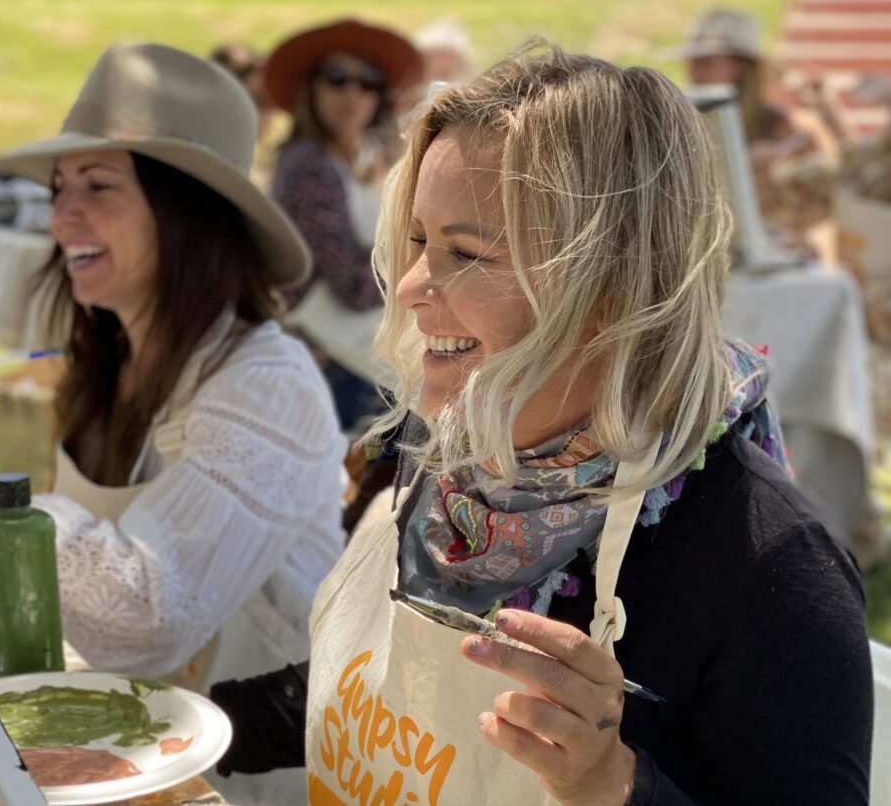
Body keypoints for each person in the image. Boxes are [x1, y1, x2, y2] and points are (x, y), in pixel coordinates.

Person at [210, 43, 873, 804]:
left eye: (465, 253)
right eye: (419, 240)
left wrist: (613, 783)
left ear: (611, 290)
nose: (413, 286)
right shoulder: (450, 447)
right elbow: (378, 686)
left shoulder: (770, 565)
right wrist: (178, 725)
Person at [0, 44, 348, 696]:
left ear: (188, 211)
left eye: (98, 186)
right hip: (124, 722)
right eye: (59, 188)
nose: (61, 216)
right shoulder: (107, 359)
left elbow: (151, 614)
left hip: (246, 753)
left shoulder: (268, 386)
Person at [264, 18, 423, 433]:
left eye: (367, 82)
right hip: (338, 364)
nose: (352, 93)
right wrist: (423, 255)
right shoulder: (308, 165)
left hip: (363, 356)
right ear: (311, 89)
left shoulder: (364, 159)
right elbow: (353, 286)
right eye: (336, 78)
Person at [680, 7, 832, 235]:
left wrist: (779, 174)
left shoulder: (783, 125)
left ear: (740, 66)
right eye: (692, 62)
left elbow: (825, 198)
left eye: (706, 62)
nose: (695, 72)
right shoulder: (681, 121)